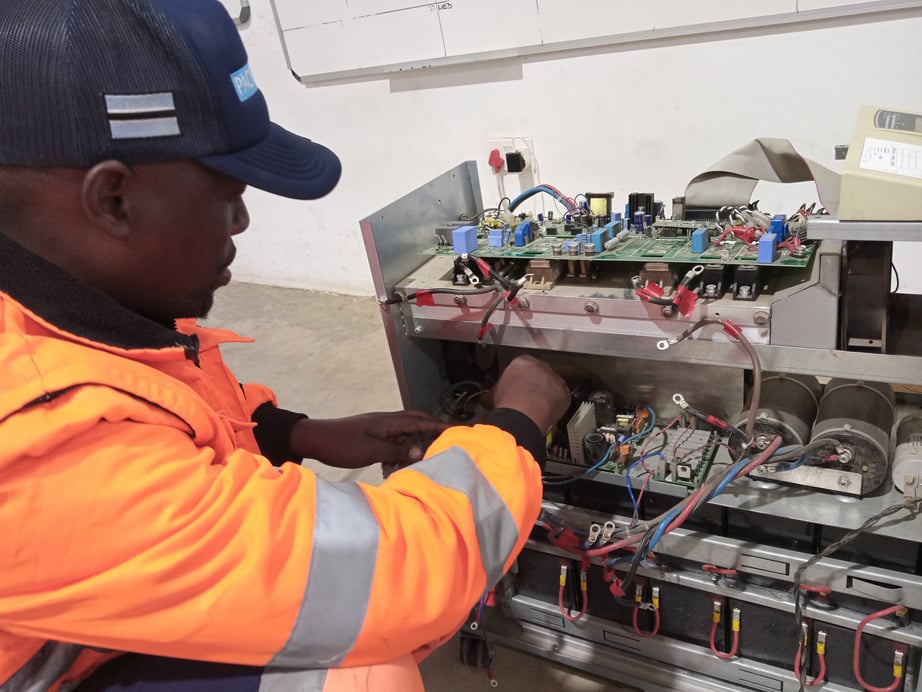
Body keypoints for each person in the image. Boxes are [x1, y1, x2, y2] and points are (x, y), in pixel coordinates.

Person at [0, 1, 570, 691]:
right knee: (365, 675)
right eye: (230, 194)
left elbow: (163, 399)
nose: (242, 221)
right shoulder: (38, 448)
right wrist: (517, 425)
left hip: (88, 625)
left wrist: (295, 433)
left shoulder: (69, 307)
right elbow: (395, 574)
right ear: (113, 199)